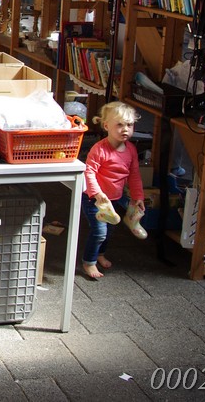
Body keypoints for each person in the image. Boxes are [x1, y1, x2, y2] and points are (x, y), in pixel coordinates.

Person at [81, 101, 148, 280]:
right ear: (106, 126)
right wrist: (97, 193)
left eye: (129, 125)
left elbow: (134, 175)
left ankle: (100, 254)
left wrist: (138, 196)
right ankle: (89, 262)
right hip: (94, 200)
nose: (125, 129)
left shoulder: (131, 150)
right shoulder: (99, 149)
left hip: (114, 199)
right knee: (99, 232)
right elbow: (89, 172)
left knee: (109, 231)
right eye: (119, 125)